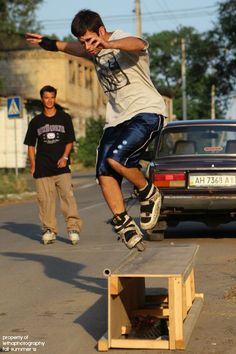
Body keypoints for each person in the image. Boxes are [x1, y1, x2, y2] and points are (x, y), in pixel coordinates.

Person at [25, 9, 166, 251]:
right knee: (103, 170)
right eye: (84, 42)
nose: (89, 47)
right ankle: (123, 222)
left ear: (101, 31)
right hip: (117, 119)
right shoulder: (91, 50)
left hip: (146, 112)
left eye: (91, 40)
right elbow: (67, 47)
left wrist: (109, 43)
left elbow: (139, 43)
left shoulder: (120, 40)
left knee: (117, 158)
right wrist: (46, 43)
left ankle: (148, 191)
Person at [24, 85, 82, 245]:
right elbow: (30, 145)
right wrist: (33, 165)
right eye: (46, 97)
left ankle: (73, 229)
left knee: (67, 198)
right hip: (42, 167)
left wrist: (65, 157)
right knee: (45, 200)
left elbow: (70, 141)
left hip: (61, 167)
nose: (49, 100)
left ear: (54, 98)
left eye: (52, 97)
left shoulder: (64, 118)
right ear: (42, 99)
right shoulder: (36, 122)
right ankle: (49, 230)